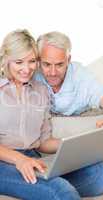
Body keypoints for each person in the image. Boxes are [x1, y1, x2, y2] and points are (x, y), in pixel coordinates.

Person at [34, 31, 103, 197]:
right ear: (38, 61)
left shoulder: (79, 75)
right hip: (40, 152)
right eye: (47, 64)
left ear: (68, 60)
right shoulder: (30, 75)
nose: (53, 72)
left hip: (71, 158)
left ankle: (54, 185)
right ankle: (54, 187)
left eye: (60, 64)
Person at [0, 29, 81, 200]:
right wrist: (19, 160)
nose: (26, 69)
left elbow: (44, 143)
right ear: (6, 60)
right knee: (62, 192)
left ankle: (48, 186)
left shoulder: (41, 90)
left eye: (32, 61)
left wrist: (74, 144)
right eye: (19, 62)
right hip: (3, 162)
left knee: (101, 176)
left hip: (32, 156)